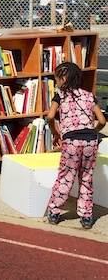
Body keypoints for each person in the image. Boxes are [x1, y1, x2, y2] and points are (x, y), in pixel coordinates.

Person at [46, 62, 106, 229]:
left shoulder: (60, 96)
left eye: (56, 79)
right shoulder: (89, 95)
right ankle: (86, 217)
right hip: (90, 141)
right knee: (86, 178)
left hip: (71, 141)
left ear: (63, 79)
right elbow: (102, 121)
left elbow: (50, 116)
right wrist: (93, 131)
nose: (56, 83)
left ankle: (54, 212)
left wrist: (56, 133)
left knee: (66, 177)